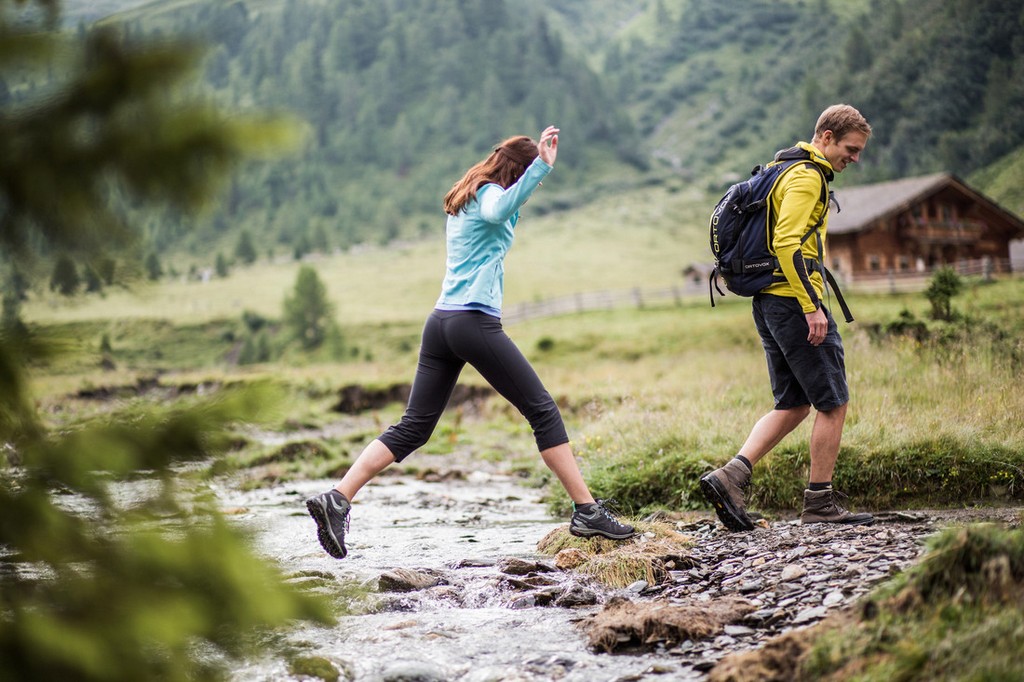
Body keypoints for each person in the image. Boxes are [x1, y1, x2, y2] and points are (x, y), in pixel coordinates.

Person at [306, 125, 635, 559]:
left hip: (441, 321)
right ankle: (587, 511)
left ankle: (338, 497)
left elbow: (505, 213)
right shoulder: (487, 197)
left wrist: (531, 174)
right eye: (524, 179)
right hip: (472, 321)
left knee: (414, 427)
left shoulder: (465, 196)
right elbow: (501, 211)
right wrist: (543, 167)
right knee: (543, 410)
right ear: (516, 173)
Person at [700, 104, 875, 531]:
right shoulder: (805, 175)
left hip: (770, 302)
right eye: (850, 149)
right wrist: (812, 307)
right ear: (827, 137)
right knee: (833, 403)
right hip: (794, 302)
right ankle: (819, 501)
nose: (854, 158)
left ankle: (730, 476)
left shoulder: (784, 168)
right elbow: (786, 243)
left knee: (794, 404)